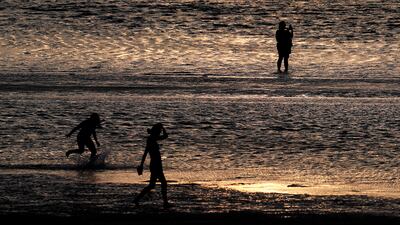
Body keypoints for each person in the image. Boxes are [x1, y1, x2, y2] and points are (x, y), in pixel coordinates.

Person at [134, 123, 172, 208]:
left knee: (152, 185)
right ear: (156, 132)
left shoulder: (151, 139)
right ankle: (165, 202)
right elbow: (165, 136)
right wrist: (163, 128)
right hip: (156, 164)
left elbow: (145, 153)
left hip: (155, 164)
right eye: (159, 131)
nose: (159, 133)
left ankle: (137, 199)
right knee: (163, 183)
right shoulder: (152, 139)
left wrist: (141, 165)